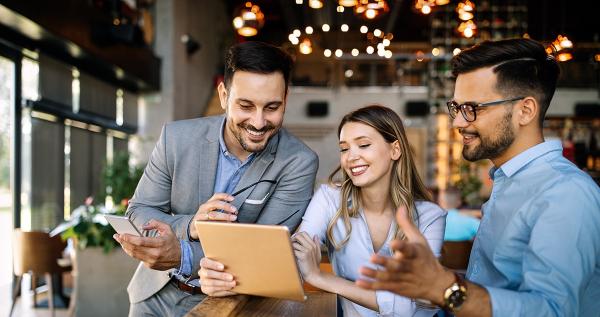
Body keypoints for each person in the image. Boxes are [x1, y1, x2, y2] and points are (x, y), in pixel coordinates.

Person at [357, 38, 600, 316]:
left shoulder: (566, 193)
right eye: (457, 108)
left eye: (473, 108)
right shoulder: (509, 179)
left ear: (525, 110)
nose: (458, 122)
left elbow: (553, 310)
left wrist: (444, 287)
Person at [114, 41, 318, 317]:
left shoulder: (299, 162)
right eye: (246, 105)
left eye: (272, 107)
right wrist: (190, 225)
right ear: (223, 95)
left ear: (286, 99)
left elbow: (263, 253)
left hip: (231, 305)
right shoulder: (176, 138)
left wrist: (183, 256)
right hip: (153, 295)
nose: (258, 122)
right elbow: (139, 210)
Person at [292, 105, 446, 316]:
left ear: (395, 149)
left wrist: (320, 278)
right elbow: (296, 257)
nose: (351, 157)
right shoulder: (330, 199)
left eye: (363, 145)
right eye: (344, 148)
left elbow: (410, 306)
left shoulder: (430, 216)